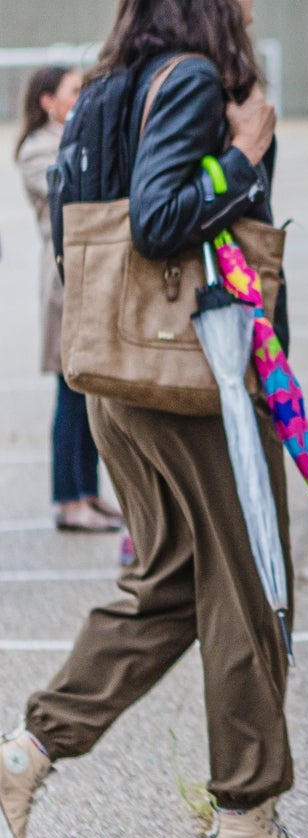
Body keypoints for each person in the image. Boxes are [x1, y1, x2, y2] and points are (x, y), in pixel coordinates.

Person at [0, 2, 300, 838]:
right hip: (190, 381)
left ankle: (30, 749)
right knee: (246, 591)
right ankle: (246, 809)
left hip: (116, 377)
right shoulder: (193, 82)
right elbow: (160, 217)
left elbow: (75, 228)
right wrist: (243, 153)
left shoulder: (104, 90)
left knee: (169, 587)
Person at [15, 66, 124, 534]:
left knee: (91, 393)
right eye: (74, 92)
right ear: (47, 101)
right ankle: (66, 499)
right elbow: (74, 191)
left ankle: (88, 493)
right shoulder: (37, 149)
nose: (82, 99)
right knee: (69, 393)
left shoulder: (70, 139)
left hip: (89, 274)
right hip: (63, 281)